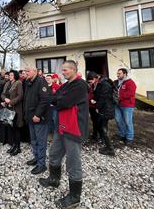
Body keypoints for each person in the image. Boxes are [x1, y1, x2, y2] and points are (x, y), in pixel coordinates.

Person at [39, 60, 89, 209]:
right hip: (62, 126)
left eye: (66, 70)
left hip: (74, 128)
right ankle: (54, 179)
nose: (63, 72)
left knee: (73, 162)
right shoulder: (66, 85)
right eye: (63, 70)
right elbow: (55, 98)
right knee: (54, 153)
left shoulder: (80, 85)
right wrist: (56, 100)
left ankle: (74, 197)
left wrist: (57, 100)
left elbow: (64, 102)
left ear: (74, 70)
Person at [24, 66, 51, 175]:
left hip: (39, 118)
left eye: (28, 71)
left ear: (35, 71)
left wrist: (38, 114)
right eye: (25, 71)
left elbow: (44, 100)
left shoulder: (41, 81)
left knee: (41, 142)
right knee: (33, 140)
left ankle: (42, 165)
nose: (26, 72)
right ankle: (36, 158)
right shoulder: (28, 82)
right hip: (30, 117)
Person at [88, 71, 115, 156]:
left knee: (104, 128)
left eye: (90, 81)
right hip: (104, 108)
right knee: (103, 127)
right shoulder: (100, 83)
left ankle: (110, 149)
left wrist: (97, 107)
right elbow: (98, 95)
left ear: (95, 78)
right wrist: (94, 100)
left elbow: (103, 98)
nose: (90, 83)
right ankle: (107, 146)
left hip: (106, 109)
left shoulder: (104, 84)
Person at [1, 70, 24, 156]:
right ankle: (13, 145)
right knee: (11, 128)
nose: (10, 76)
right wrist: (5, 99)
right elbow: (2, 94)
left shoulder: (19, 83)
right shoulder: (7, 84)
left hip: (16, 109)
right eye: (9, 75)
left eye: (11, 75)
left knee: (17, 128)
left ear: (15, 76)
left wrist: (11, 102)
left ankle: (18, 148)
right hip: (8, 109)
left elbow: (20, 96)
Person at [114, 68, 137, 146]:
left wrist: (118, 97)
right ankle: (122, 134)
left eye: (119, 73)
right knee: (118, 120)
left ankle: (129, 137)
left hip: (127, 105)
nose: (117, 75)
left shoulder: (130, 82)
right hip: (117, 104)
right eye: (117, 73)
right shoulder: (116, 82)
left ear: (125, 74)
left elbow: (130, 93)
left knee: (128, 121)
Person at [87, 73, 99, 142]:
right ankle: (95, 134)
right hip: (91, 105)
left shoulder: (98, 85)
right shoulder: (91, 85)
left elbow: (98, 94)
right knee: (94, 120)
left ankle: (97, 135)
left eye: (90, 81)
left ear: (94, 79)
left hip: (95, 105)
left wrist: (95, 100)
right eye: (89, 82)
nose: (89, 83)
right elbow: (89, 94)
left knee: (97, 121)